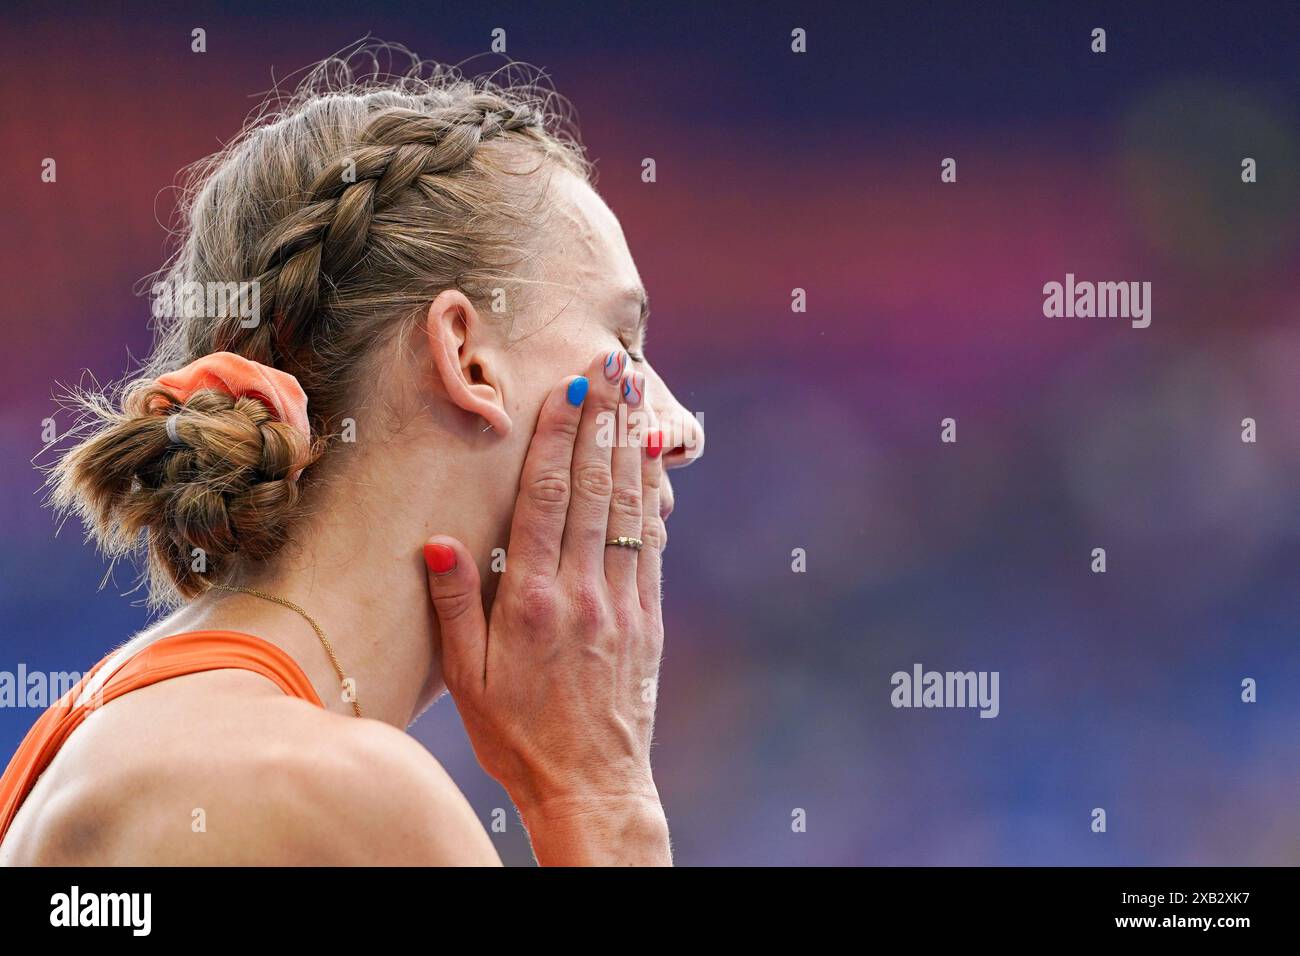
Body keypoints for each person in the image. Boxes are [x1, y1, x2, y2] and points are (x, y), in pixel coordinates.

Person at [0, 48, 703, 866]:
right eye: (623, 341)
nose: (681, 429)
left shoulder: (133, 723)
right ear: (468, 359)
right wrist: (602, 800)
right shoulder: (337, 795)